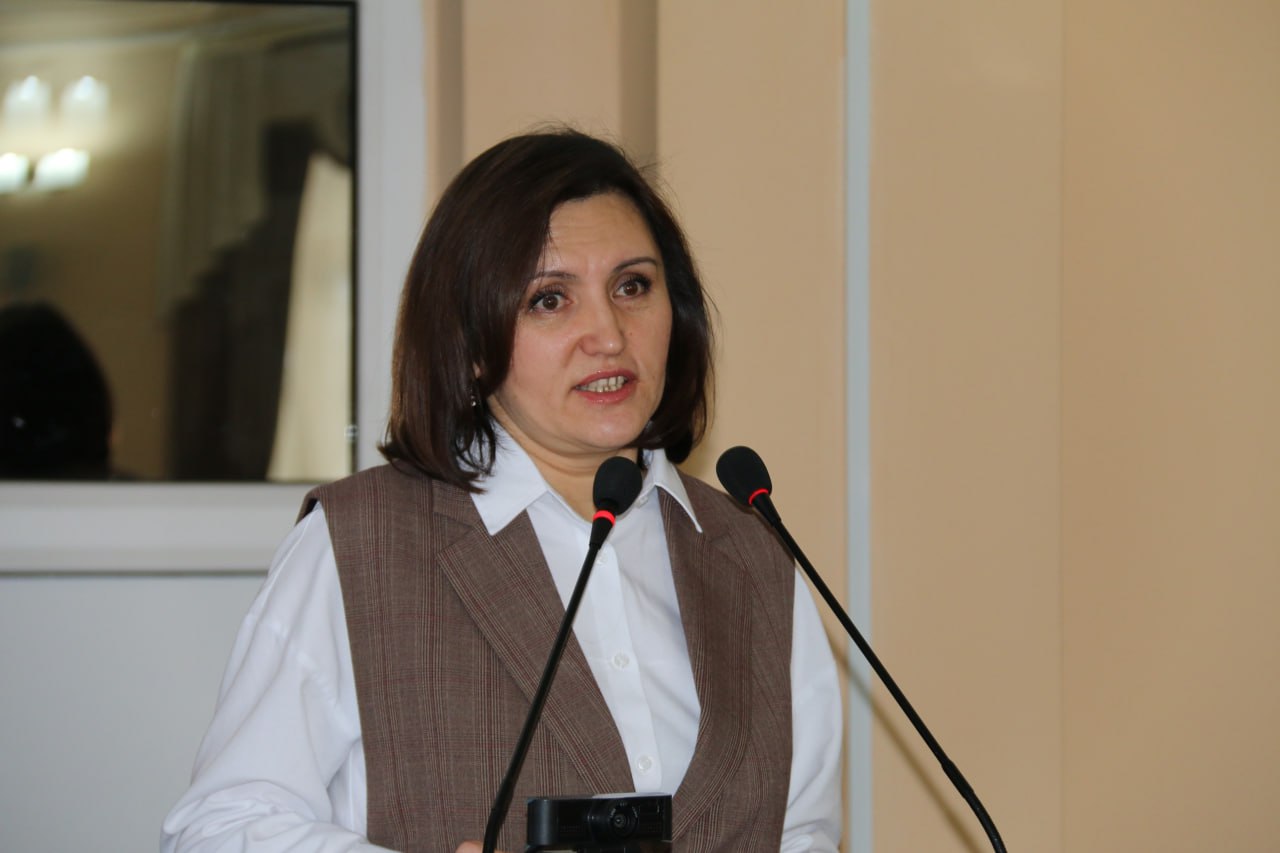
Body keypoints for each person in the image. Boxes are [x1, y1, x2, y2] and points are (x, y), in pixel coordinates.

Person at [161, 128, 842, 853]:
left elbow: (801, 834)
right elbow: (215, 831)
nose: (609, 334)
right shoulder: (362, 545)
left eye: (632, 286)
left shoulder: (753, 558)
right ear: (472, 342)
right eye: (550, 299)